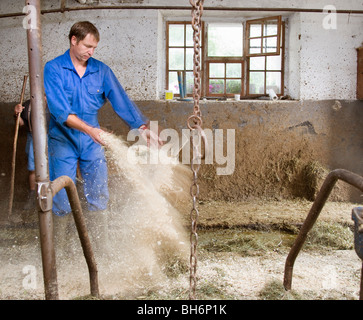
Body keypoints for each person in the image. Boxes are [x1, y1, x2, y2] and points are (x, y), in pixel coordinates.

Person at [43, 21, 162, 221]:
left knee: (98, 193)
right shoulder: (53, 69)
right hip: (63, 140)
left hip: (92, 142)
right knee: (61, 196)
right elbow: (60, 111)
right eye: (87, 46)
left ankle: (100, 246)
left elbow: (120, 100)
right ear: (74, 40)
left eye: (94, 48)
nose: (91, 52)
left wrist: (141, 127)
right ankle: (61, 247)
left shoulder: (101, 71)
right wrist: (92, 131)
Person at [14, 100, 36, 210]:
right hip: (32, 136)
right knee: (32, 168)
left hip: (51, 136)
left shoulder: (55, 100)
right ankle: (32, 196)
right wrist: (17, 114)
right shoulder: (28, 104)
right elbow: (21, 123)